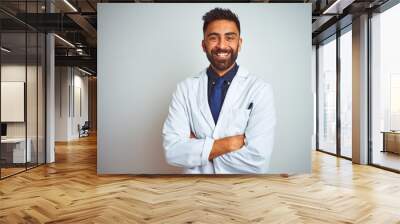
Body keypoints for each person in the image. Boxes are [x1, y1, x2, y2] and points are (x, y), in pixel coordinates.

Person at [162, 8, 276, 174]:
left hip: (240, 192)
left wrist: (196, 150)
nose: (222, 46)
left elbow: (258, 160)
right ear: (203, 45)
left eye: (229, 38)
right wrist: (229, 144)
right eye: (213, 38)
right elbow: (172, 152)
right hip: (196, 193)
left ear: (240, 43)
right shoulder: (185, 89)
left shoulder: (260, 90)